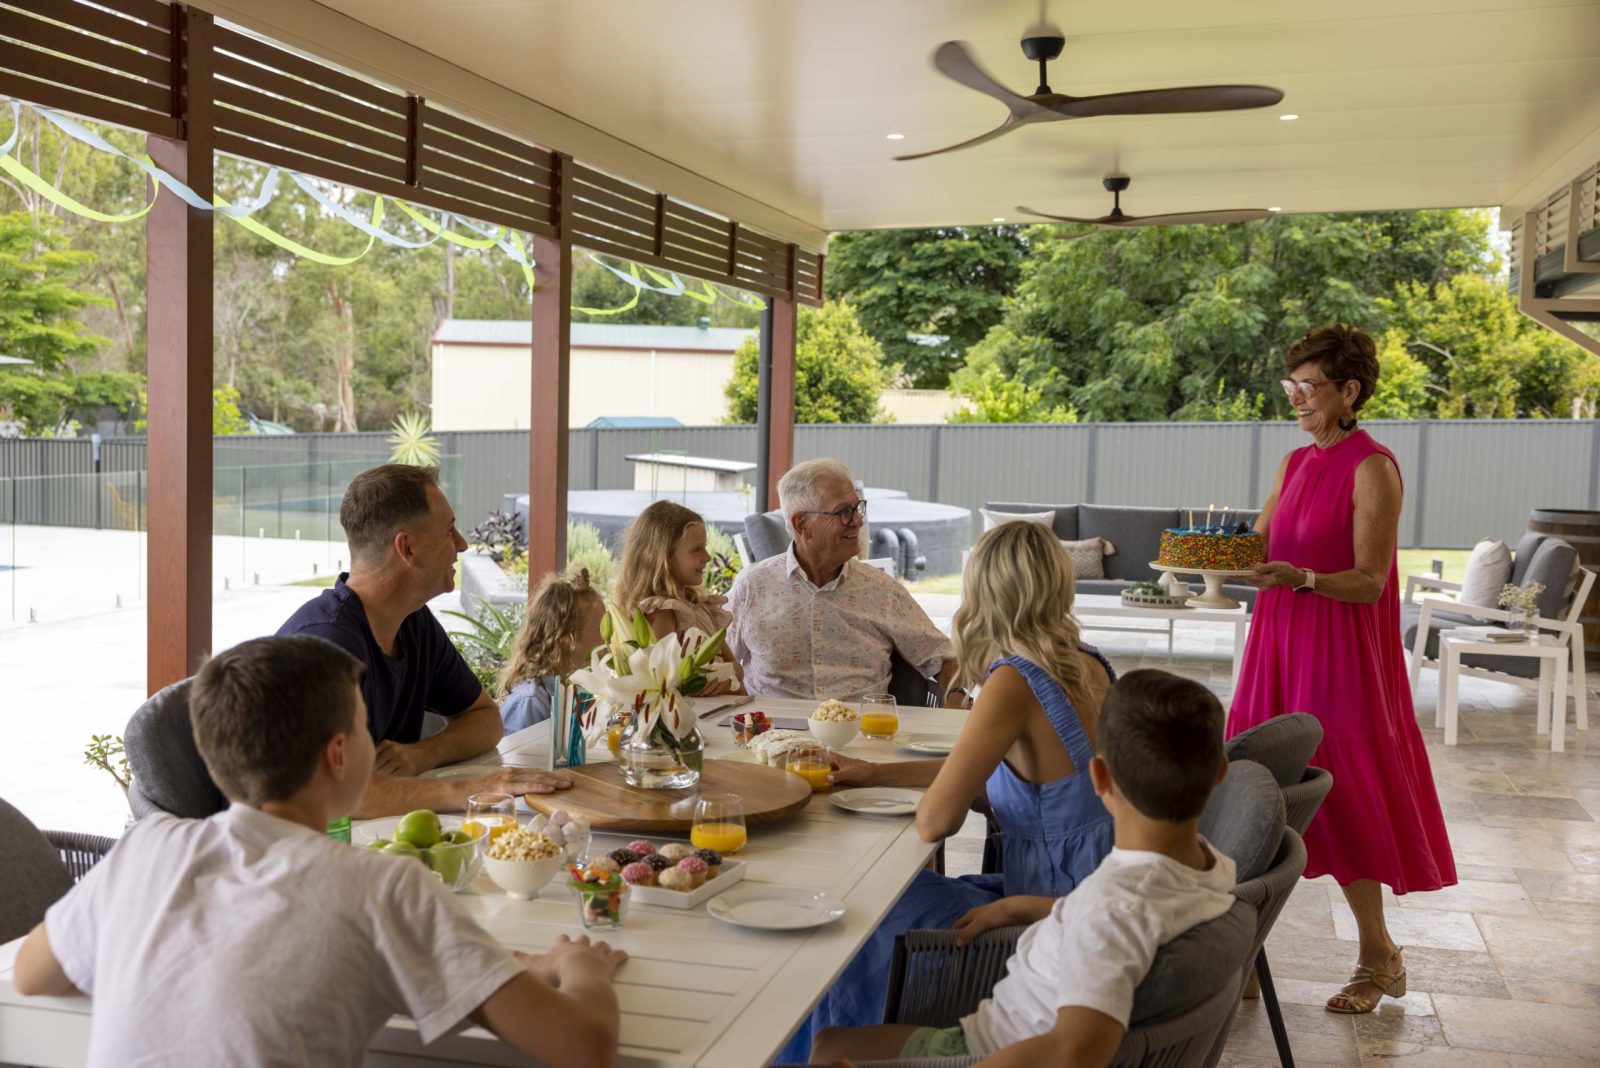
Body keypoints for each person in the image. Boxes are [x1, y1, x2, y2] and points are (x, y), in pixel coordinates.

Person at [13, 635, 626, 1067]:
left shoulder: (147, 848)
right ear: (338, 754)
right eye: (363, 726)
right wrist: (582, 969)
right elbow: (584, 1047)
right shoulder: (383, 889)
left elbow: (33, 972)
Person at [775, 519, 1116, 1062]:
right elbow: (991, 772)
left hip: (1047, 914)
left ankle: (822, 1050)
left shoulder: (1014, 681)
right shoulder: (1090, 663)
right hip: (1092, 889)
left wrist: (903, 788)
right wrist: (874, 773)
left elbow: (937, 823)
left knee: (853, 911)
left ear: (985, 591)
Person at [811, 669, 1236, 1066]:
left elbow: (1073, 1053)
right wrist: (1021, 906)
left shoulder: (1110, 912)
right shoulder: (1208, 867)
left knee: (829, 1044)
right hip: (1008, 1024)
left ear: (1100, 778)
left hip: (988, 1046)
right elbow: (1138, 914)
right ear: (1219, 773)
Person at [1231, 324, 1455, 1014]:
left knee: (1346, 798)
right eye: (1290, 385)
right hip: (1277, 645)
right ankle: (1237, 955)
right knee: (1247, 791)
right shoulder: (1294, 465)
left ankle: (1379, 956)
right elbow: (1255, 540)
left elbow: (1369, 581)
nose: (1295, 398)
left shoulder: (1373, 467)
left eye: (1309, 386)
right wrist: (1206, 559)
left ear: (1349, 391)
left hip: (1341, 657)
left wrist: (1298, 577)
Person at [278, 464, 572, 816]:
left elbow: (485, 718)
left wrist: (423, 753)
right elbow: (331, 790)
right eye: (449, 530)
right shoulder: (322, 643)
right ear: (408, 548)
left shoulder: (413, 622)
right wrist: (469, 790)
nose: (462, 544)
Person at [726, 458, 959, 702]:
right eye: (843, 513)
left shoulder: (881, 590)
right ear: (802, 524)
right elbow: (716, 661)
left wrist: (957, 694)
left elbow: (944, 657)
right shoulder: (752, 587)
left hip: (864, 734)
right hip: (770, 733)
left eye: (857, 508)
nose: (858, 521)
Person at [612, 500, 741, 694]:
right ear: (664, 557)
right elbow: (666, 685)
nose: (706, 557)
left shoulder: (698, 605)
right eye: (697, 549)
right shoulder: (661, 612)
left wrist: (727, 678)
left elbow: (736, 668)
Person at [498, 569, 608, 734]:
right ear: (567, 640)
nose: (609, 635)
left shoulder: (575, 688)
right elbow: (516, 759)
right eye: (601, 628)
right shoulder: (531, 703)